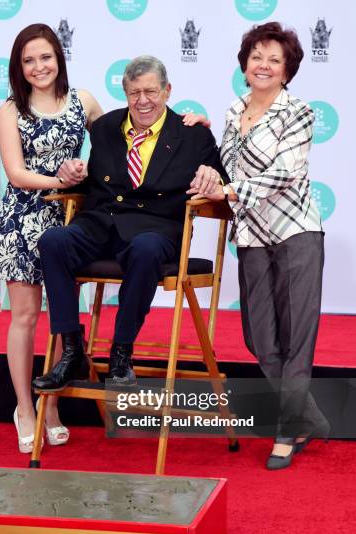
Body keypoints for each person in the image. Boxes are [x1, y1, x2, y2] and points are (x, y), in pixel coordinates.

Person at [32, 55, 223, 393]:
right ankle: (73, 348)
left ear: (167, 91)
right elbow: (93, 180)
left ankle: (121, 353)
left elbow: (221, 184)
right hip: (101, 223)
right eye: (134, 93)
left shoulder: (193, 136)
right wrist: (69, 176)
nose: (143, 101)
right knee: (53, 241)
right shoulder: (105, 128)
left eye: (151, 91)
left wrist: (213, 178)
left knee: (146, 248)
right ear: (125, 93)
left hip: (157, 230)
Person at [195, 22, 329, 470]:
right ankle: (309, 417)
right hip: (251, 235)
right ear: (245, 64)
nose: (264, 65)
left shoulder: (299, 112)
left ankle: (287, 429)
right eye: (257, 57)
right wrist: (202, 133)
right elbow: (225, 168)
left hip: (296, 231)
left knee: (296, 338)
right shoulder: (234, 112)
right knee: (259, 336)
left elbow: (285, 174)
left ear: (288, 68)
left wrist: (230, 194)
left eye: (274, 59)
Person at [0, 24, 103, 453]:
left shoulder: (83, 101)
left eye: (45, 57)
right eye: (29, 60)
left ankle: (51, 404)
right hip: (22, 221)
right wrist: (60, 177)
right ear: (19, 67)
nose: (39, 67)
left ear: (59, 57)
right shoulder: (10, 110)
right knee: (26, 317)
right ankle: (25, 408)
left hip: (70, 225)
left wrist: (182, 122)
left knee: (62, 318)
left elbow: (115, 141)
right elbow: (15, 173)